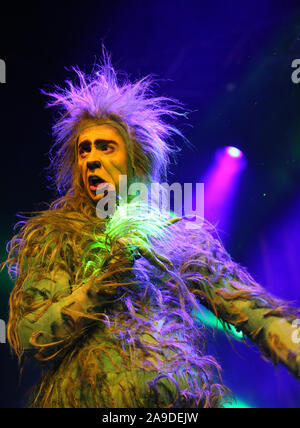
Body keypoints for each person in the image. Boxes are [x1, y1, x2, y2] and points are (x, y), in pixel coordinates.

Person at [3, 51, 300, 408]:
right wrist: (107, 277)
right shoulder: (56, 236)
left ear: (135, 157)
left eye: (105, 147)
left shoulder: (180, 236)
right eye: (83, 150)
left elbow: (256, 314)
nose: (91, 158)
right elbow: (30, 334)